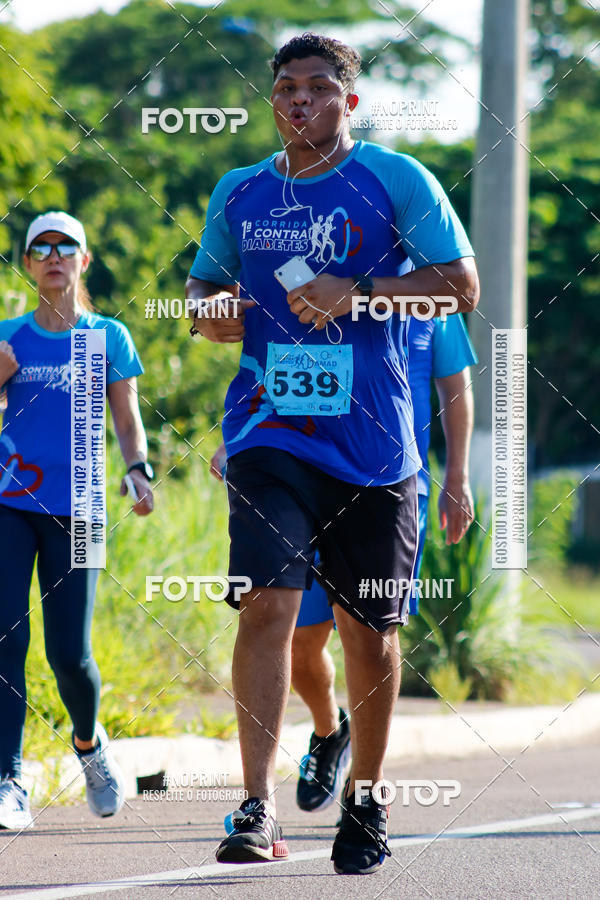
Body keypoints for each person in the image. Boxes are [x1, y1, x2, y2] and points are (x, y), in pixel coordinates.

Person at [186, 33, 479, 874]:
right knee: (267, 607)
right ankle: (254, 807)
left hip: (377, 447)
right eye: (286, 88)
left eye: (319, 87)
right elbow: (201, 291)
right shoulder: (239, 191)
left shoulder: (395, 179)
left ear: (349, 102)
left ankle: (367, 800)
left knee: (368, 632)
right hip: (268, 431)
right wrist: (211, 311)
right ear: (272, 100)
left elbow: (461, 284)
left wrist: (362, 291)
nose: (300, 100)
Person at [210, 313, 478, 815]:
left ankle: (365, 791)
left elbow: (454, 385)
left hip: (389, 483)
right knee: (297, 637)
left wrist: (457, 475)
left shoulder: (422, 290)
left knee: (365, 632)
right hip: (300, 473)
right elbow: (288, 368)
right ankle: (329, 729)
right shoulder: (323, 285)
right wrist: (245, 440)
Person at [0, 211, 154, 830]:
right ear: (30, 263)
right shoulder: (7, 337)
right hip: (10, 503)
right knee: (7, 639)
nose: (55, 256)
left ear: (83, 262)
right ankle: (9, 778)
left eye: (68, 248)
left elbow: (126, 417)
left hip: (83, 511)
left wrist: (138, 468)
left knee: (71, 654)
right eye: (43, 248)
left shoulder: (106, 338)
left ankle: (89, 745)